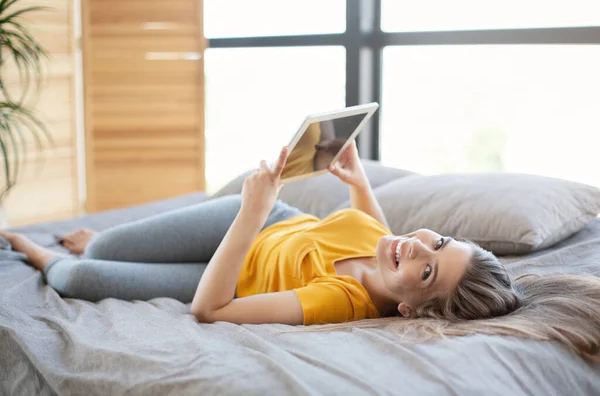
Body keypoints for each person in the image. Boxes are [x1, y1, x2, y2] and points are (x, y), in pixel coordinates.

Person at [1, 142, 599, 361]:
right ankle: (93, 237)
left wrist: (251, 211)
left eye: (427, 268)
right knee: (107, 241)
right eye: (438, 241)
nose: (416, 245)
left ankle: (38, 247)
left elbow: (211, 311)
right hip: (269, 220)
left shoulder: (337, 301)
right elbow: (378, 230)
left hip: (229, 264)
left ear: (411, 311)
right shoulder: (385, 242)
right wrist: (359, 181)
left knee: (80, 278)